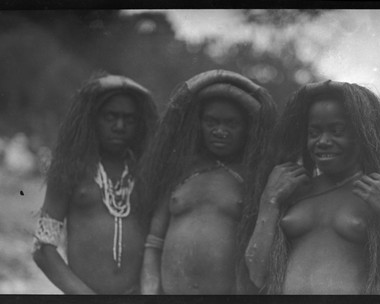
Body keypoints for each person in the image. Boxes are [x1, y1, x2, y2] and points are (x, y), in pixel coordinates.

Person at [241, 80, 380, 294]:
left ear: (362, 136)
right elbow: (256, 273)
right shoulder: (292, 192)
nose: (323, 141)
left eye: (337, 131)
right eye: (314, 132)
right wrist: (269, 200)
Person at [140, 69, 277, 294]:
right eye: (211, 122)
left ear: (247, 128)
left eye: (231, 124)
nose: (220, 131)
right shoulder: (180, 172)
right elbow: (153, 244)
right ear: (199, 123)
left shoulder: (254, 180)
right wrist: (149, 290)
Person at [32, 73, 158, 294]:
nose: (119, 126)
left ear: (139, 125)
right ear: (93, 119)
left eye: (129, 119)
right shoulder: (69, 170)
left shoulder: (147, 174)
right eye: (110, 117)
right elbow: (43, 249)